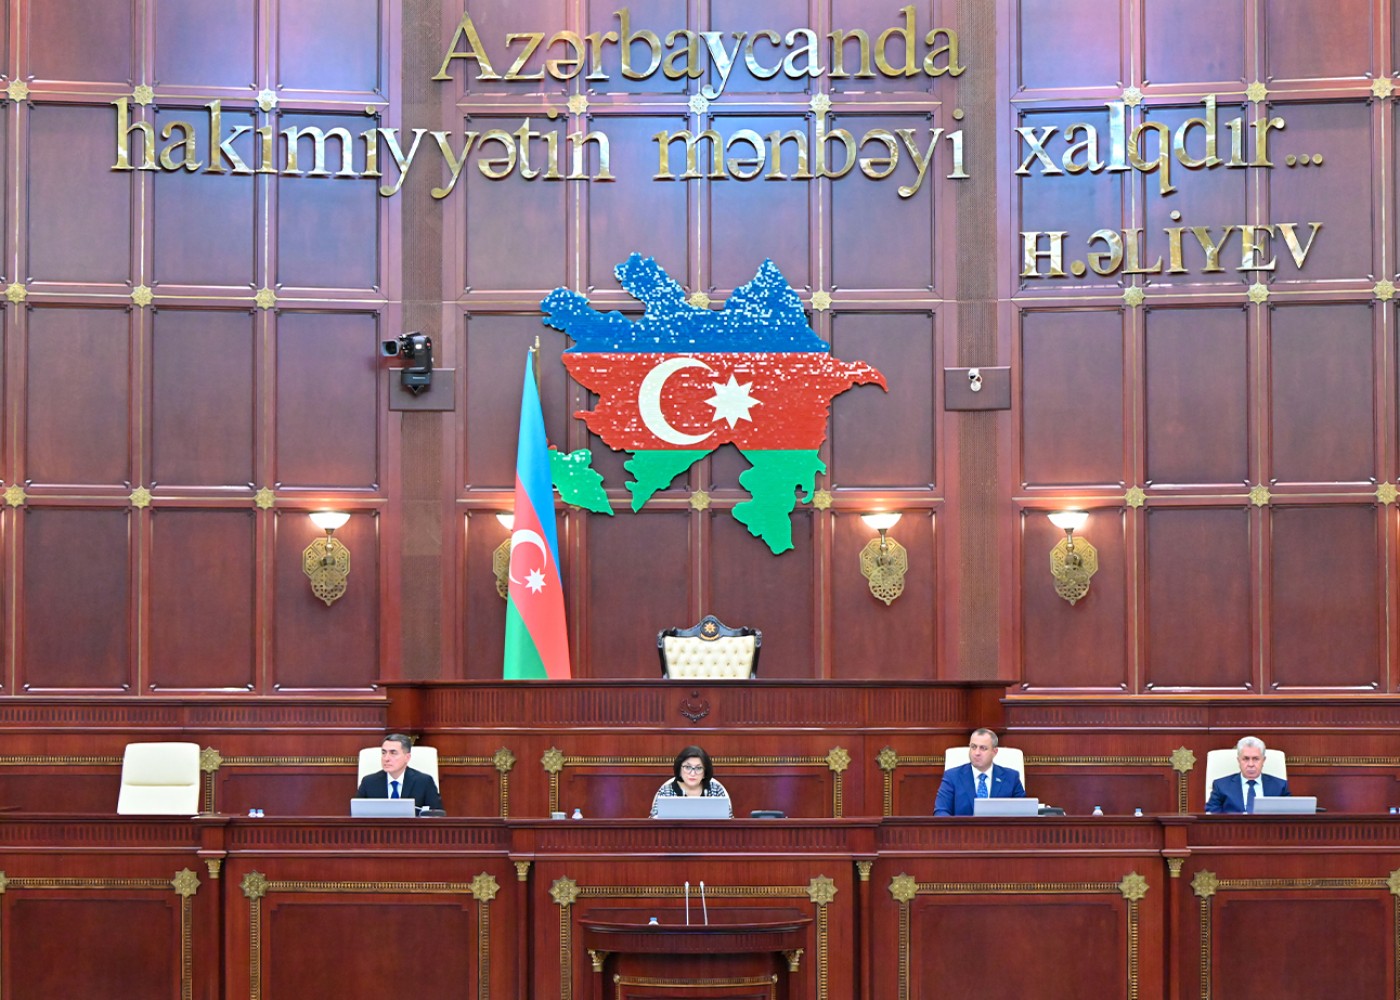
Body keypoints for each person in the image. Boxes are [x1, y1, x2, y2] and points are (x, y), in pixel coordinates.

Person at [934, 727, 1026, 816]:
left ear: (994, 752)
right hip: (963, 827)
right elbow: (941, 811)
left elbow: (1023, 813)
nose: (977, 753)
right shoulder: (952, 776)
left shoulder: (1011, 777)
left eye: (983, 748)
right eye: (973, 747)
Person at [356, 733, 443, 810]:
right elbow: (356, 815)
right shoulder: (368, 782)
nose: (386, 758)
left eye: (393, 753)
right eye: (384, 753)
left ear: (407, 757)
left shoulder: (424, 782)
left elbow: (436, 816)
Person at [1205, 736, 1289, 814]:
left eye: (1256, 759)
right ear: (1239, 760)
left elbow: (1289, 815)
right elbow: (1211, 814)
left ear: (1263, 760)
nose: (1250, 764)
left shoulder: (1280, 786)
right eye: (1246, 759)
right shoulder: (1221, 786)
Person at [649, 745, 732, 818]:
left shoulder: (716, 790)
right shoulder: (666, 791)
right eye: (687, 767)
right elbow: (653, 822)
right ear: (679, 769)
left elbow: (729, 822)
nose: (692, 773)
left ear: (705, 772)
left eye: (698, 768)